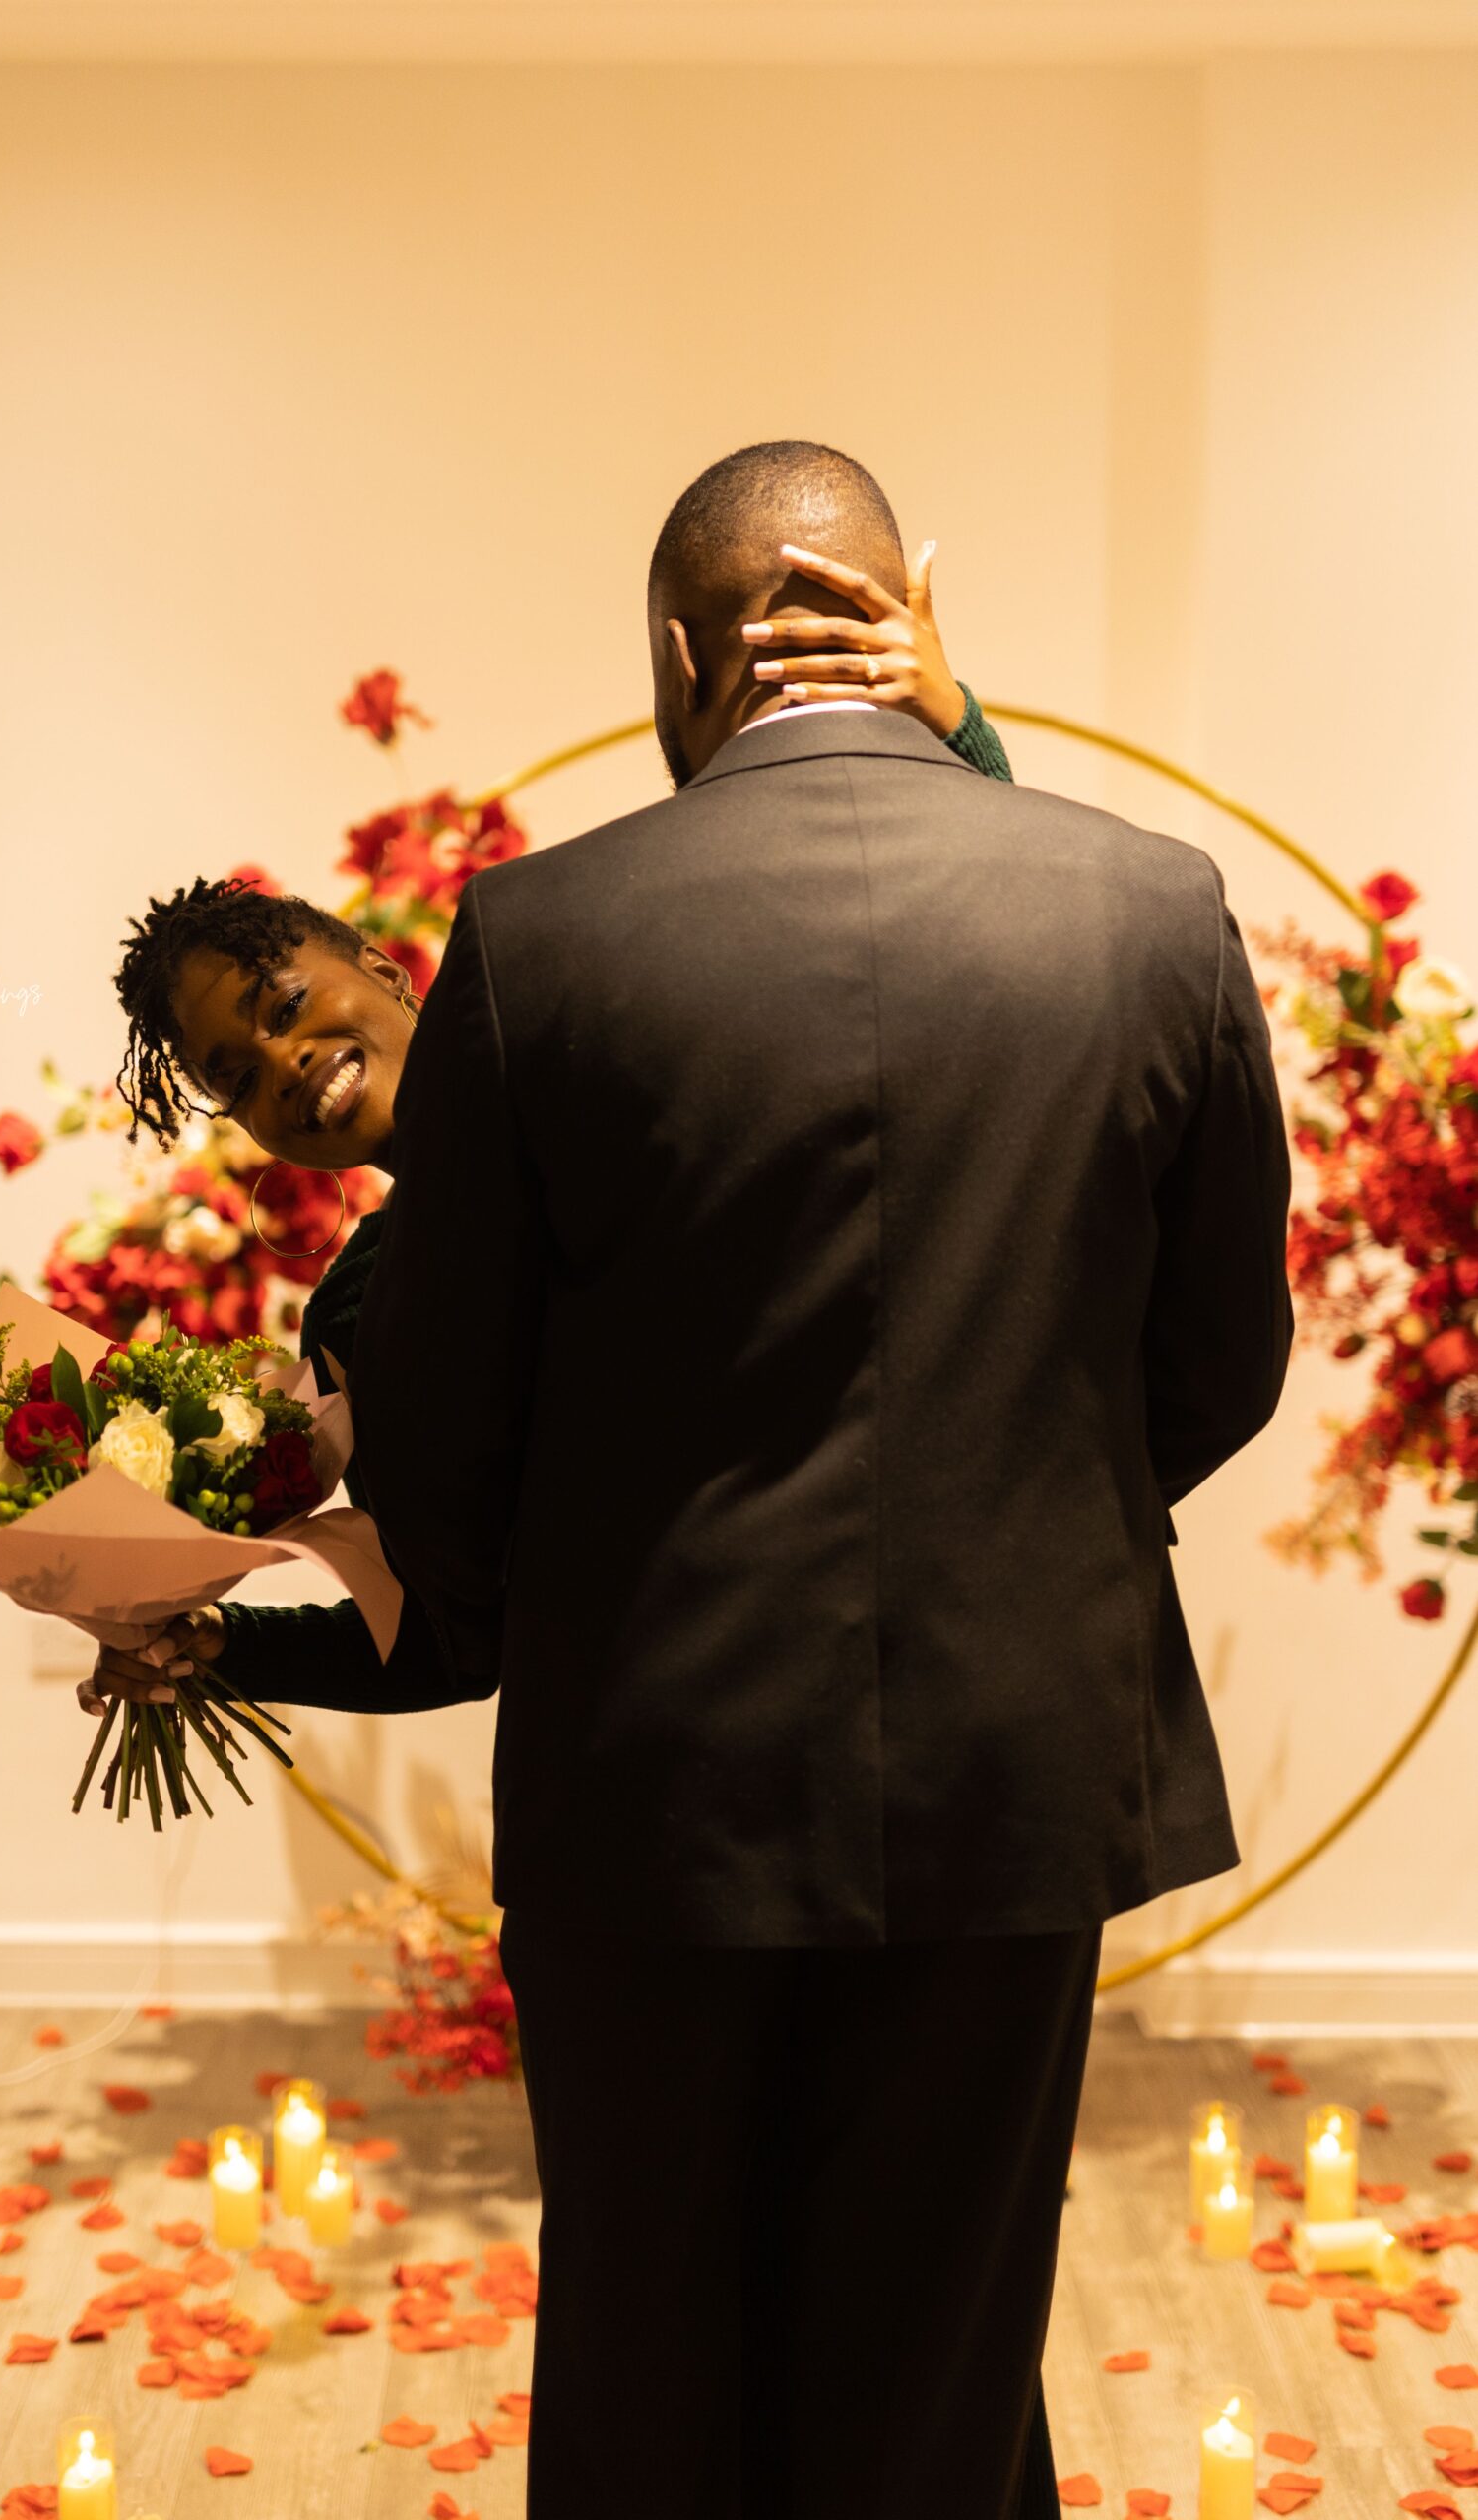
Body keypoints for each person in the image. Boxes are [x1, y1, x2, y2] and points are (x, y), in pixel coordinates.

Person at [346, 440, 1294, 2520]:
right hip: (1016, 1756)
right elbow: (1221, 1359)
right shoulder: (1149, 908)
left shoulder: (534, 931)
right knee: (937, 2340)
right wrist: (1021, 1512)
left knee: (645, 2333)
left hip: (651, 1764)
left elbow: (440, 1427)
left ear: (681, 658)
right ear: (908, 625)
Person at [82, 536, 1011, 1719]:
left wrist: (948, 727)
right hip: (635, 1767)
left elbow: (935, 965)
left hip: (903, 1677)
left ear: (381, 966)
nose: (284, 1063)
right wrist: (214, 1642)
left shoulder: (627, 1071)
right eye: (236, 1075)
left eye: (285, 1006)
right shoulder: (356, 1313)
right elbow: (451, 1638)